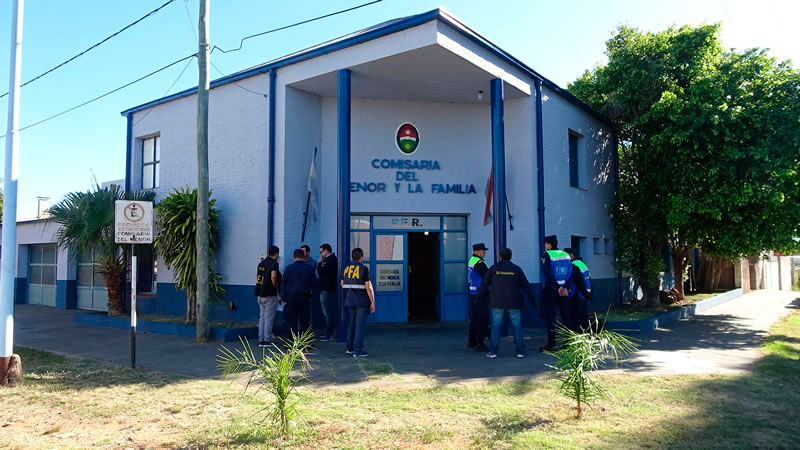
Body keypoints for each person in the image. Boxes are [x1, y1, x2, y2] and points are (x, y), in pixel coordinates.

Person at [478, 248, 537, 359]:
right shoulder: (516, 269)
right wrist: (532, 299)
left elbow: (484, 284)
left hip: (497, 303)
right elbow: (526, 285)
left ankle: (493, 352)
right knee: (517, 327)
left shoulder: (493, 269)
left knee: (496, 327)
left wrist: (479, 298)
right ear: (510, 257)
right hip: (514, 303)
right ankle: (520, 351)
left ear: (500, 257)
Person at [540, 235, 574, 352]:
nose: (545, 246)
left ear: (549, 244)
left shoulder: (547, 255)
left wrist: (557, 286)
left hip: (551, 290)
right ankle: (569, 343)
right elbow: (571, 273)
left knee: (551, 317)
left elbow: (547, 274)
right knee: (566, 316)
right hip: (564, 291)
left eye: (545, 244)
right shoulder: (565, 255)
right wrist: (565, 287)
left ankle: (551, 344)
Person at [341, 248, 375, 358]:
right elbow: (368, 287)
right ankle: (358, 350)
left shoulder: (347, 269)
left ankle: (349, 348)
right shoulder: (363, 269)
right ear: (361, 257)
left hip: (350, 300)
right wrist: (372, 302)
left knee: (352, 323)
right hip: (361, 301)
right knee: (359, 325)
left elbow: (342, 283)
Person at [281, 248, 317, 339]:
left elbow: (284, 283)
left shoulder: (288, 268)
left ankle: (291, 340)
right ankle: (304, 340)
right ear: (303, 257)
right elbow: (314, 283)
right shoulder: (309, 268)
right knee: (304, 320)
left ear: (293, 257)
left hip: (291, 296)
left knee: (292, 319)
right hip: (305, 296)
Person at [253, 246, 281, 347]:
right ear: (276, 254)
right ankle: (267, 340)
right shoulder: (274, 264)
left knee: (262, 318)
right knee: (269, 318)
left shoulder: (261, 263)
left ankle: (261, 339)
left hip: (260, 293)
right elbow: (273, 276)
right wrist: (275, 285)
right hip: (269, 294)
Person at [467, 243, 491, 352]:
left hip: (473, 292)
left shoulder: (472, 260)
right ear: (478, 251)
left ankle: (472, 341)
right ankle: (480, 342)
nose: (484, 253)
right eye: (483, 251)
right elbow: (487, 277)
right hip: (480, 293)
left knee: (475, 317)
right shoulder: (479, 263)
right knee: (482, 318)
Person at [565, 248, 593, 332]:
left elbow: (577, 280)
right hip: (584, 294)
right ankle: (586, 334)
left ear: (571, 255)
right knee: (583, 316)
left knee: (576, 318)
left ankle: (578, 334)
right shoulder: (582, 264)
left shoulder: (574, 265)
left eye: (566, 255)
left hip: (577, 295)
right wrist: (588, 294)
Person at [317, 243, 338, 340]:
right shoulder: (331, 260)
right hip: (328, 288)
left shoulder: (329, 260)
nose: (321, 254)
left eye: (321, 252)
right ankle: (330, 331)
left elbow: (320, 271)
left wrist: (319, 263)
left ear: (326, 251)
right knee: (328, 311)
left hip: (326, 289)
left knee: (327, 312)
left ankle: (329, 332)